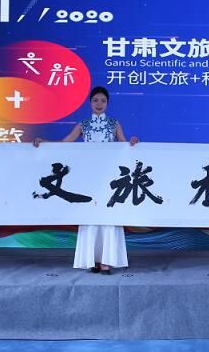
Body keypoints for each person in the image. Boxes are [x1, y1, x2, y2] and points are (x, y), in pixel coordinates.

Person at [34, 86, 138, 274]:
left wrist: (132, 143)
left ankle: (107, 260)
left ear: (107, 103)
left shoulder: (114, 124)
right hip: (88, 177)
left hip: (109, 176)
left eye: (103, 101)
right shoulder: (83, 125)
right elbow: (65, 143)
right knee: (90, 216)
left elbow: (124, 145)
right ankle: (92, 259)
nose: (99, 104)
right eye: (95, 100)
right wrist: (45, 143)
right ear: (90, 103)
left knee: (108, 216)